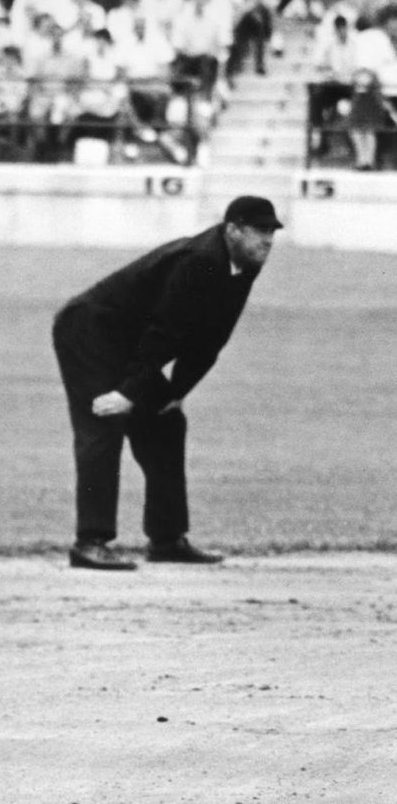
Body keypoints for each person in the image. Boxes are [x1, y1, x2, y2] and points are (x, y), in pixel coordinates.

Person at [51, 195, 282, 570]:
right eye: (260, 231)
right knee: (104, 422)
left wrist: (177, 392)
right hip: (89, 330)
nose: (268, 240)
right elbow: (166, 330)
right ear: (233, 230)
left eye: (271, 232)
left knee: (167, 423)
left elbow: (213, 337)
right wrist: (127, 393)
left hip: (130, 341)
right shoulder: (200, 260)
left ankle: (167, 539)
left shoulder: (245, 265)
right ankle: (90, 541)